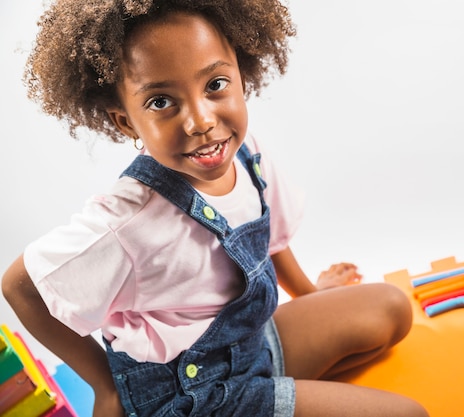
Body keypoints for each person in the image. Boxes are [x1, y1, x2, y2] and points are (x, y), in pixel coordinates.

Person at [2, 1, 429, 416]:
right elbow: (21, 285)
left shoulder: (245, 154)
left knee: (391, 308)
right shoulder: (127, 222)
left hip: (252, 344)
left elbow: (268, 238)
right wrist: (104, 386)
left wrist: (312, 296)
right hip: (191, 397)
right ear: (126, 121)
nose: (201, 121)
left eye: (214, 85)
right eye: (161, 101)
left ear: (241, 74)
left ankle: (277, 392)